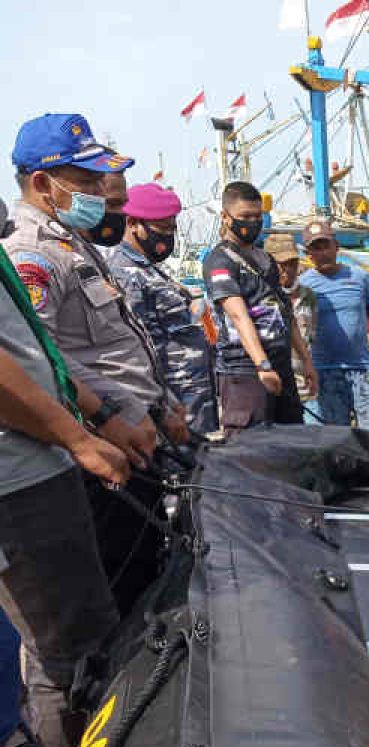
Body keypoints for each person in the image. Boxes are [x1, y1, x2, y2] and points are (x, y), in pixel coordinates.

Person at [5, 113, 188, 613]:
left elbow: (120, 341)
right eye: (85, 181)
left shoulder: (72, 239)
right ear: (43, 183)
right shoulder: (30, 252)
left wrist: (159, 402)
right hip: (100, 447)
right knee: (117, 588)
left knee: (147, 569)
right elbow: (42, 357)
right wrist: (106, 417)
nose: (98, 191)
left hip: (132, 432)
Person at [0, 230, 126, 747]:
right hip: (18, 477)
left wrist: (101, 417)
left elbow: (31, 355)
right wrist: (76, 439)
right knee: (71, 657)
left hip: (34, 459)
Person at [203, 181, 315, 432]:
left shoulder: (264, 258)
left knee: (292, 443)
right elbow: (238, 315)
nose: (252, 222)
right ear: (226, 217)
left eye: (257, 216)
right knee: (249, 449)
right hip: (245, 369)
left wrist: (306, 360)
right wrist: (262, 364)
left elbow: (286, 312)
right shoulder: (219, 260)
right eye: (245, 217)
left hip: (281, 365)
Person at [109, 183, 218, 433]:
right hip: (173, 400)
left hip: (192, 394)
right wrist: (161, 404)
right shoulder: (126, 274)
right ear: (133, 223)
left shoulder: (151, 269)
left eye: (172, 229)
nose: (168, 236)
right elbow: (136, 345)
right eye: (162, 228)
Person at [297, 219, 369, 429]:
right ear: (308, 254)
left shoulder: (361, 277)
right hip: (324, 372)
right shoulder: (304, 285)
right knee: (337, 438)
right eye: (315, 248)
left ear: (336, 247)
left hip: (362, 369)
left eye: (325, 245)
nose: (322, 252)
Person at [265, 233, 319, 405]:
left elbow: (311, 336)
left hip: (304, 381)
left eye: (292, 264)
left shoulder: (308, 296)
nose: (287, 270)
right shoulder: (261, 297)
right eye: (281, 264)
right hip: (273, 380)